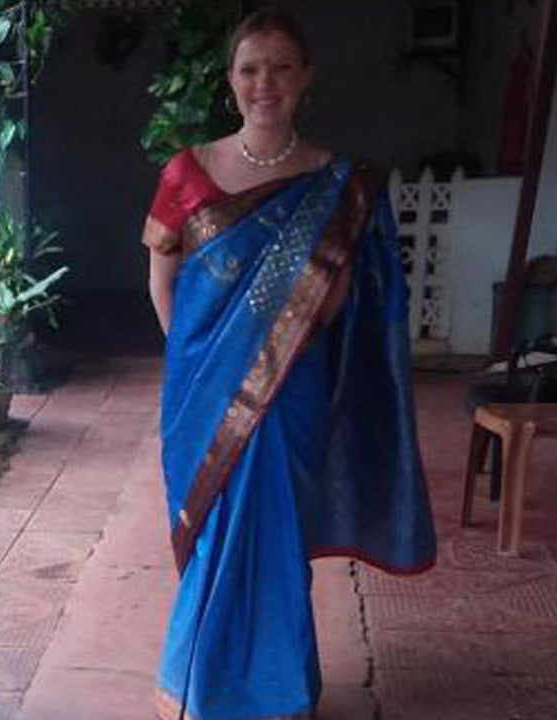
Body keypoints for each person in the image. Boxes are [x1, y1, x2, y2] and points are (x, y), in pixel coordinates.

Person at [143, 8, 437, 720]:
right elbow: (162, 278)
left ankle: (279, 690)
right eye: (250, 69)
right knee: (216, 531)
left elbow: (348, 295)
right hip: (202, 391)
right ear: (230, 81)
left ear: (306, 78)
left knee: (277, 534)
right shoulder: (186, 172)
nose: (264, 84)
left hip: (294, 388)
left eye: (280, 68)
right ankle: (195, 684)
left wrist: (282, 341)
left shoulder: (338, 186)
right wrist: (205, 364)